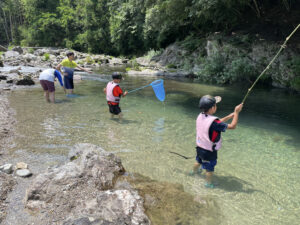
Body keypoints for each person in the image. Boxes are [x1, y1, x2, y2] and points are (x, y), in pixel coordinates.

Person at [190, 95, 243, 188]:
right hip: (209, 151)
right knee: (209, 169)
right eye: (215, 105)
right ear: (212, 108)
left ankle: (192, 172)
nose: (216, 106)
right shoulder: (214, 123)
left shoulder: (200, 116)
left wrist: (229, 116)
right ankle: (208, 183)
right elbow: (233, 126)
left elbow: (216, 123)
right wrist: (237, 112)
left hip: (200, 147)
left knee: (198, 160)